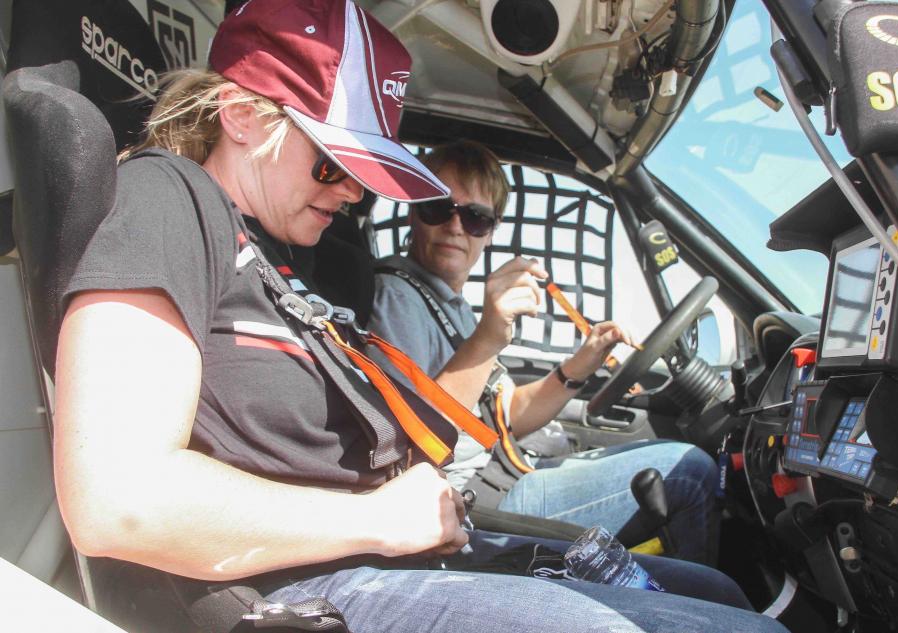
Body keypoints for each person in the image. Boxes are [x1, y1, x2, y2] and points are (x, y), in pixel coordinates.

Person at [52, 1, 788, 632]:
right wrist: (378, 518)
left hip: (396, 546)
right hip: (317, 583)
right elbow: (117, 497)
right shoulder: (168, 198)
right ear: (242, 116)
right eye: (333, 164)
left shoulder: (276, 255)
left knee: (719, 598)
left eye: (364, 177)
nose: (351, 196)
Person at [368, 141, 721, 565]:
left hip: (508, 470)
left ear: (491, 230)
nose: (456, 226)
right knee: (691, 471)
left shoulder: (450, 304)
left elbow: (506, 416)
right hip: (473, 503)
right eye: (438, 207)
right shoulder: (396, 296)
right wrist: (488, 338)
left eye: (475, 217)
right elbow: (407, 446)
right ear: (413, 209)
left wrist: (578, 366)